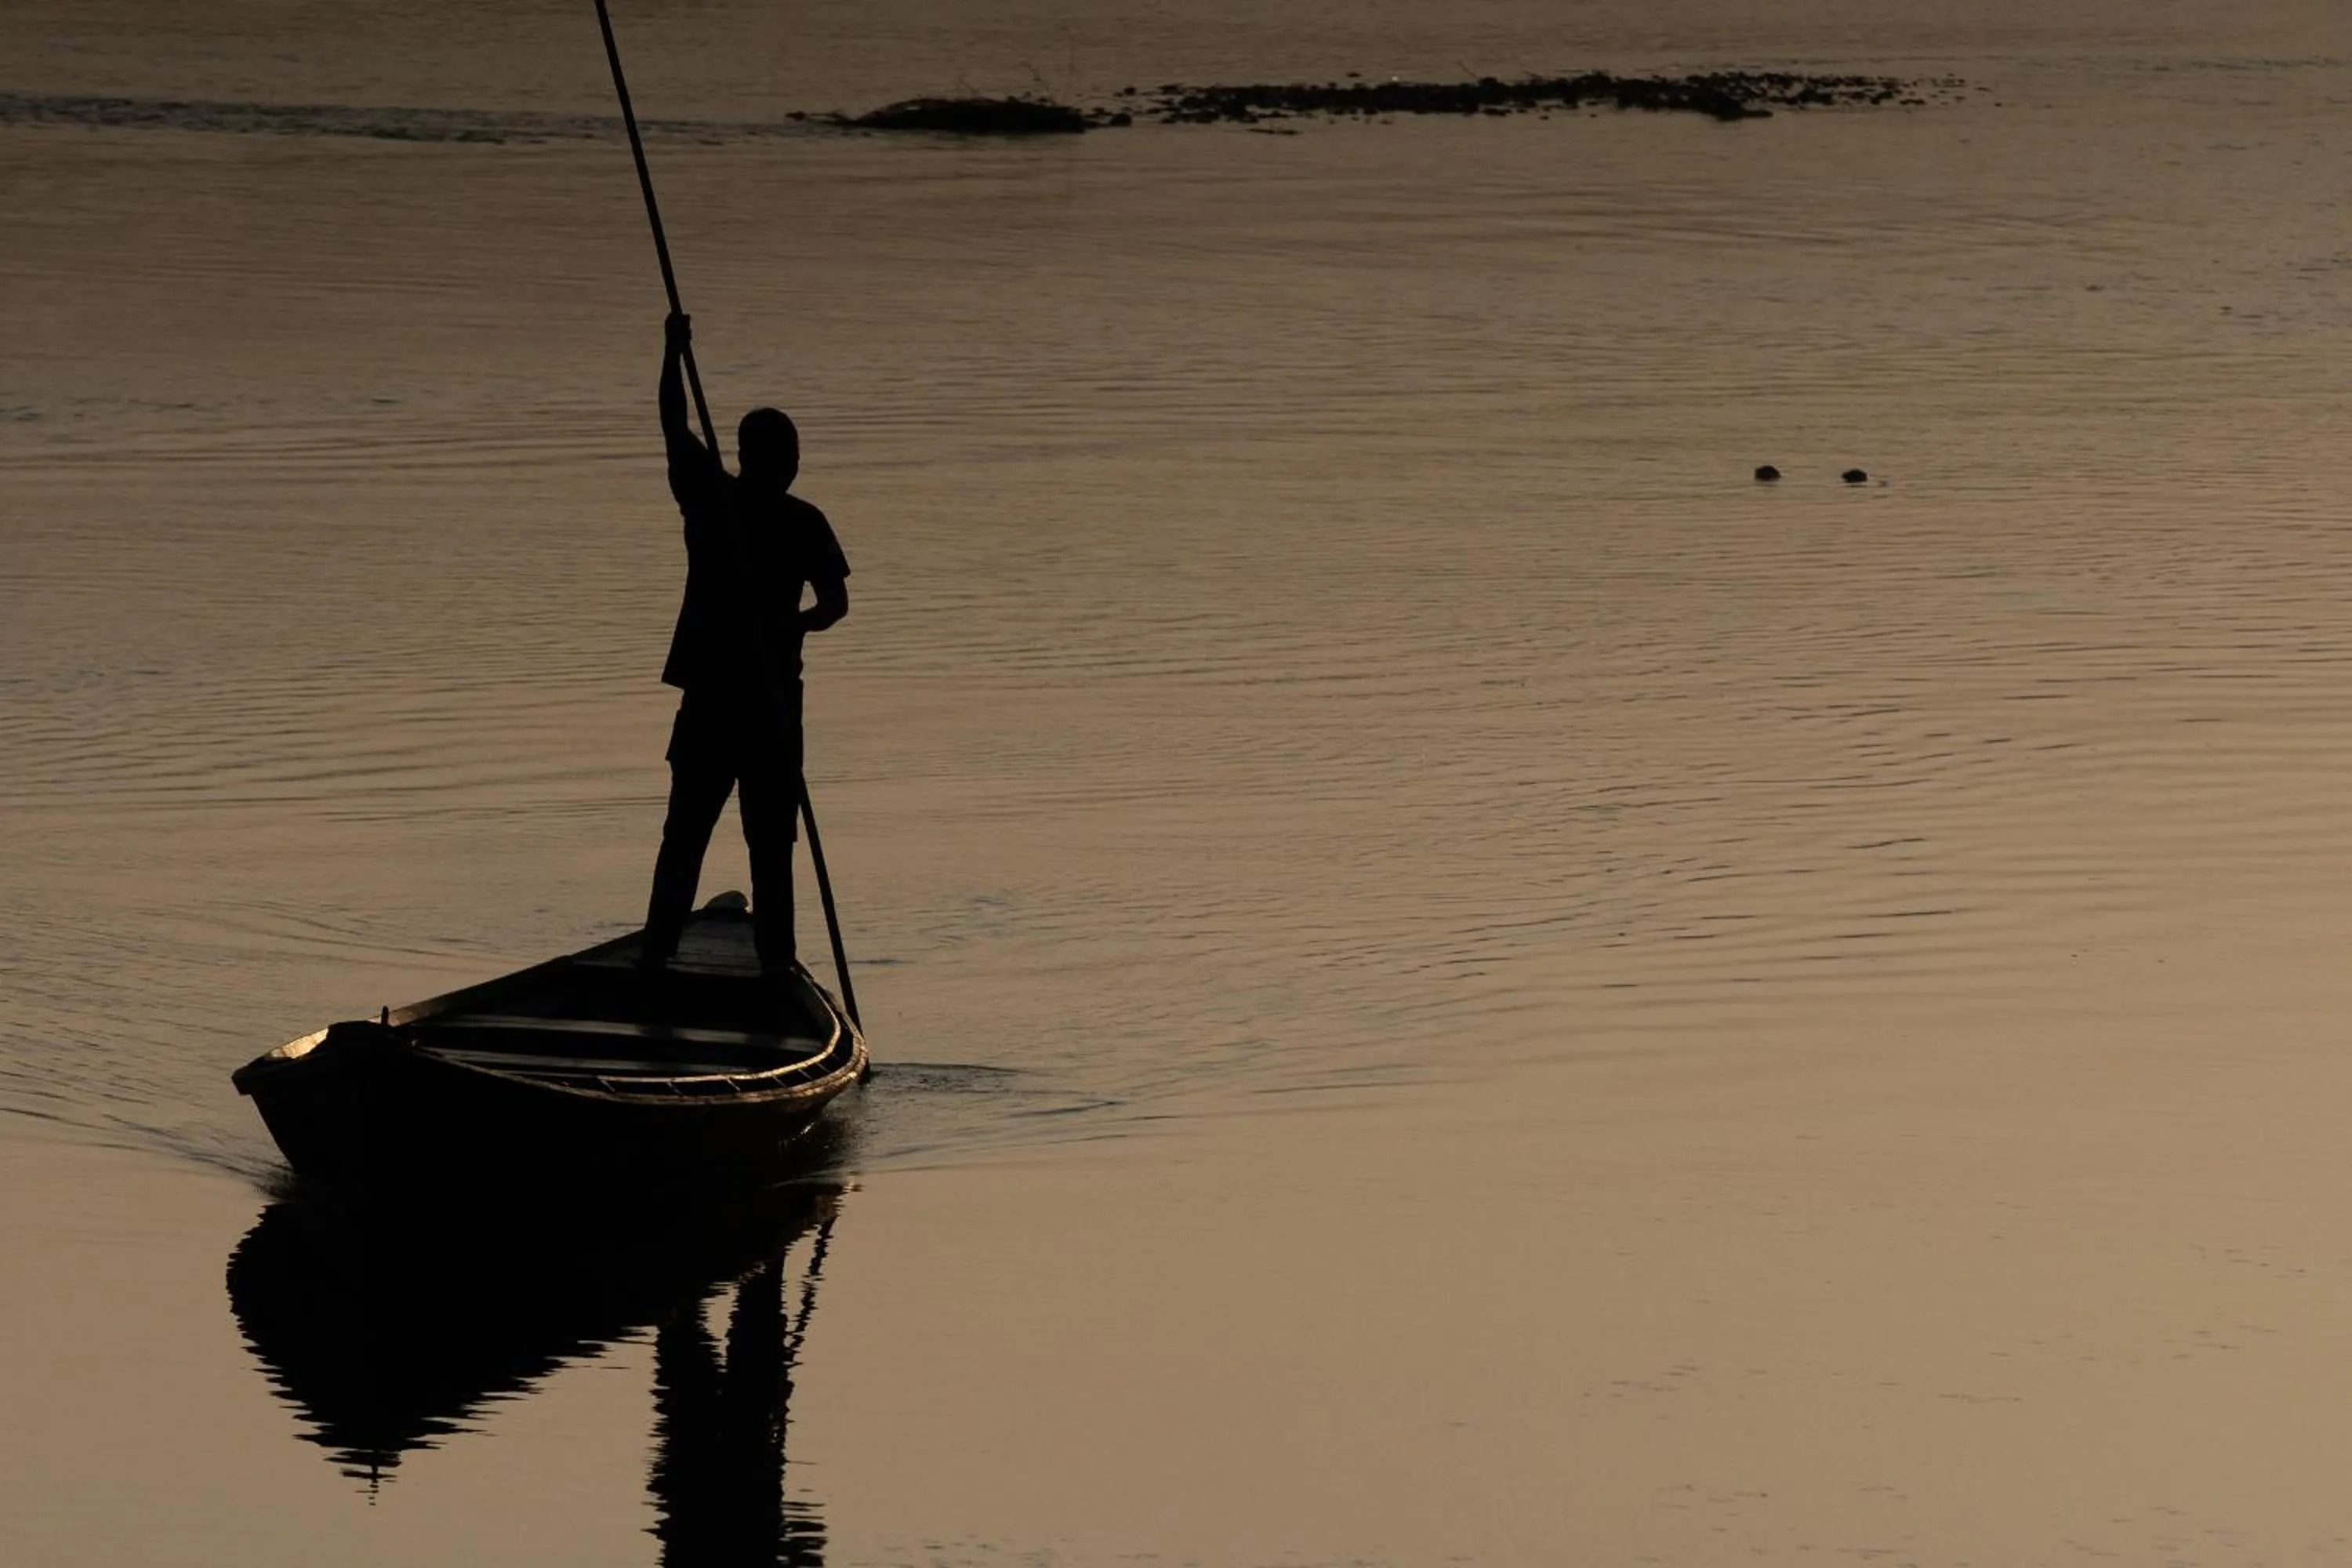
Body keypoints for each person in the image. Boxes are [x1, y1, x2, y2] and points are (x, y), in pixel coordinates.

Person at [641, 311, 848, 976]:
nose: (793, 465)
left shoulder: (787, 518)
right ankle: (664, 956)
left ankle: (765, 964)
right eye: (787, 456)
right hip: (731, 701)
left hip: (766, 704)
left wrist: (795, 625)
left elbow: (835, 603)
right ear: (766, 459)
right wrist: (673, 353)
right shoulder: (717, 503)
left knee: (760, 843)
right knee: (698, 837)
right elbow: (675, 427)